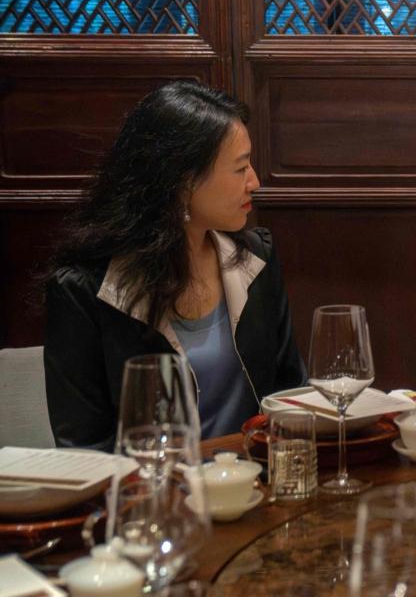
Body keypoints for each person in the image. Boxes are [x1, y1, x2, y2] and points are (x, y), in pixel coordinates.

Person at [42, 81, 305, 448]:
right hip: (152, 499)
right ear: (182, 181)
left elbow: (290, 395)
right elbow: (84, 449)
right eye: (240, 168)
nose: (255, 182)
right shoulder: (85, 291)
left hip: (258, 488)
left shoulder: (255, 258)